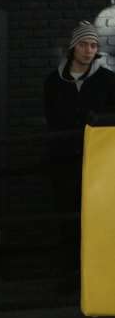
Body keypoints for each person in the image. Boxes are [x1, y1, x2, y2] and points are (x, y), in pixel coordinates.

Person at [43, 20, 115, 287]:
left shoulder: (108, 80)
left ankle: (96, 278)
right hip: (64, 160)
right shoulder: (53, 81)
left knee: (97, 219)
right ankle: (70, 275)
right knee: (67, 218)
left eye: (93, 45)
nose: (89, 50)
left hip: (99, 162)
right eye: (84, 44)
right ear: (73, 46)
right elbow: (51, 118)